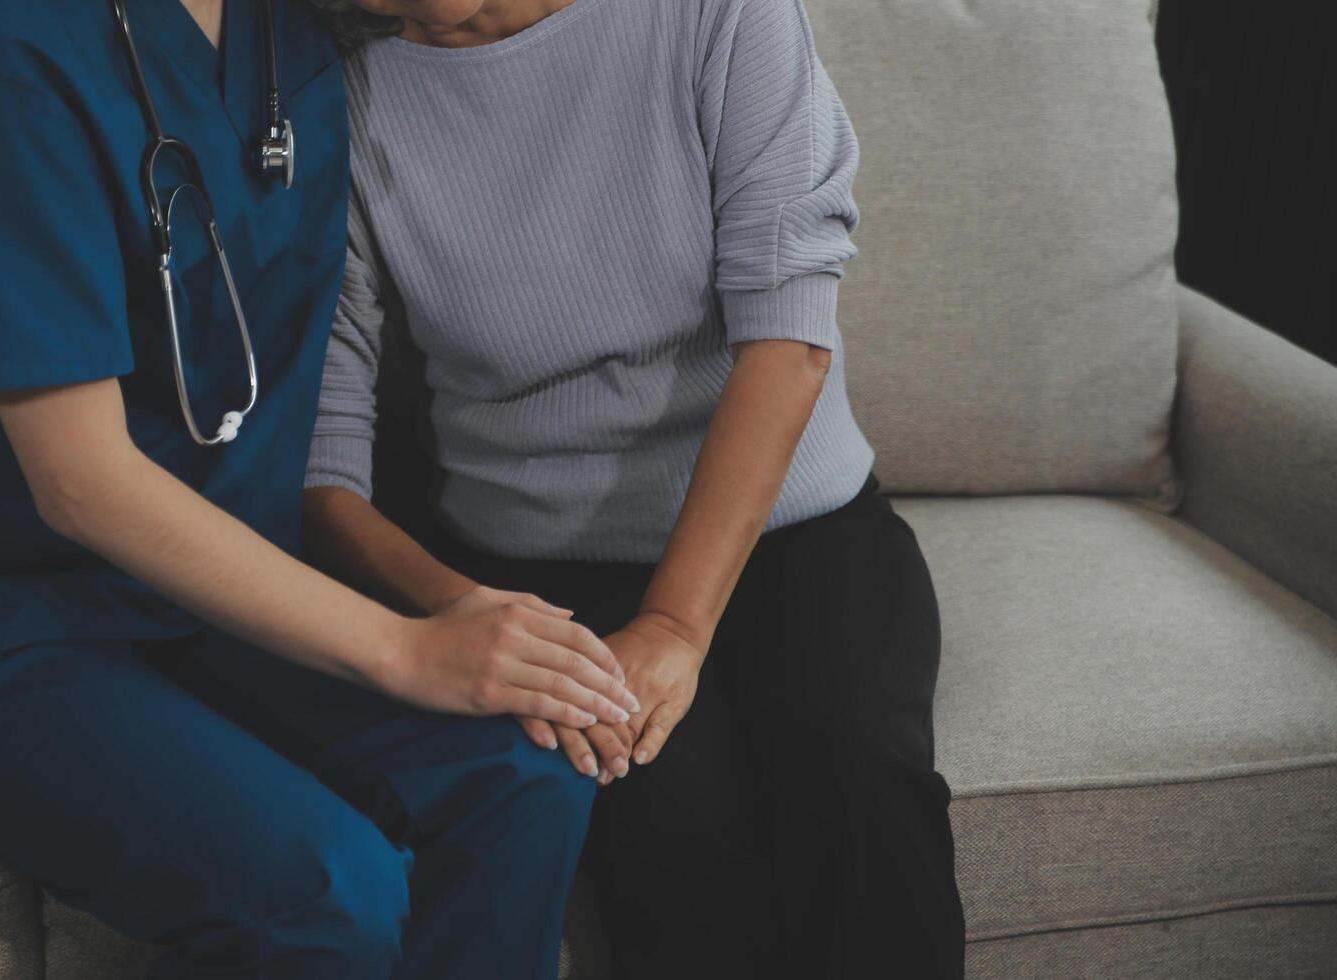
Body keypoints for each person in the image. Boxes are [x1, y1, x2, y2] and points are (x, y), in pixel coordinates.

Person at [0, 1, 640, 977]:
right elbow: (79, 482)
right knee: (327, 884)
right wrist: (406, 646)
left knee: (524, 774)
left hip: (211, 588)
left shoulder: (301, 24)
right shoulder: (0, 44)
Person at [300, 0, 968, 975]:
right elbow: (323, 462)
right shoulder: (334, 86)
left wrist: (675, 629)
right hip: (536, 563)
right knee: (668, 823)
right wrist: (463, 611)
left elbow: (786, 341)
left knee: (856, 772)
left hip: (799, 523)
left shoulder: (717, 14)